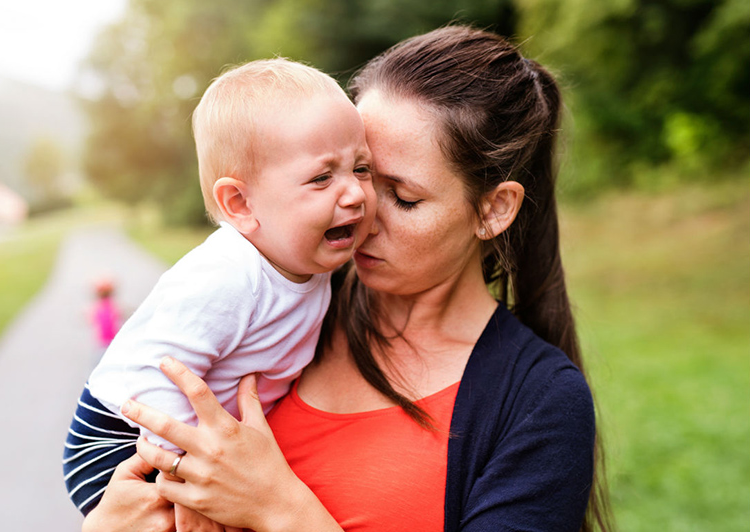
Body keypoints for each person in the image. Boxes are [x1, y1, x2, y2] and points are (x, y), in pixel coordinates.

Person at [68, 24, 612, 532]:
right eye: (357, 172)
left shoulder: (540, 403)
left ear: (493, 210)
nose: (360, 209)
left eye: (403, 197)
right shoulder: (286, 306)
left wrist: (280, 508)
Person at [64, 58, 375, 525]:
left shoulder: (310, 260)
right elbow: (159, 376)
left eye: (362, 168)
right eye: (322, 177)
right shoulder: (228, 276)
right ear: (241, 204)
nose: (354, 194)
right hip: (119, 437)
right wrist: (194, 471)